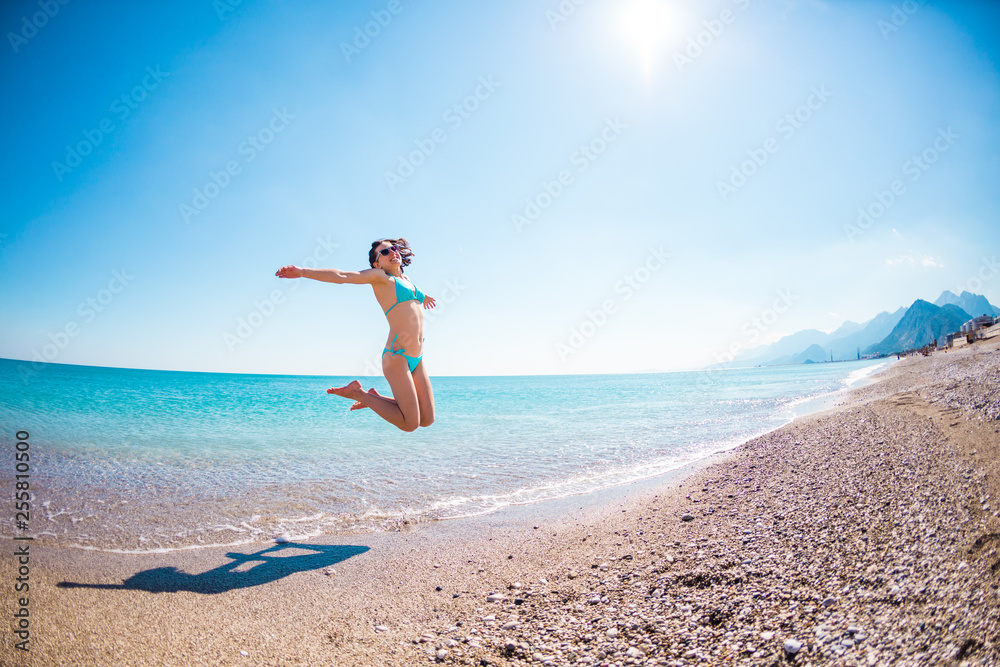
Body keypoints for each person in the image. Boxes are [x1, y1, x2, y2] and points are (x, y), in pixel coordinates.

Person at [275, 238, 436, 431]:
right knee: (410, 424)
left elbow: (411, 293)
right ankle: (359, 394)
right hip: (397, 357)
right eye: (385, 252)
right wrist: (303, 272)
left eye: (393, 249)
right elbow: (342, 275)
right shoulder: (380, 278)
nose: (392, 252)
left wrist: (424, 296)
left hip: (417, 357)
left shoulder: (407, 281)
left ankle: (374, 398)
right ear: (377, 264)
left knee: (426, 419)